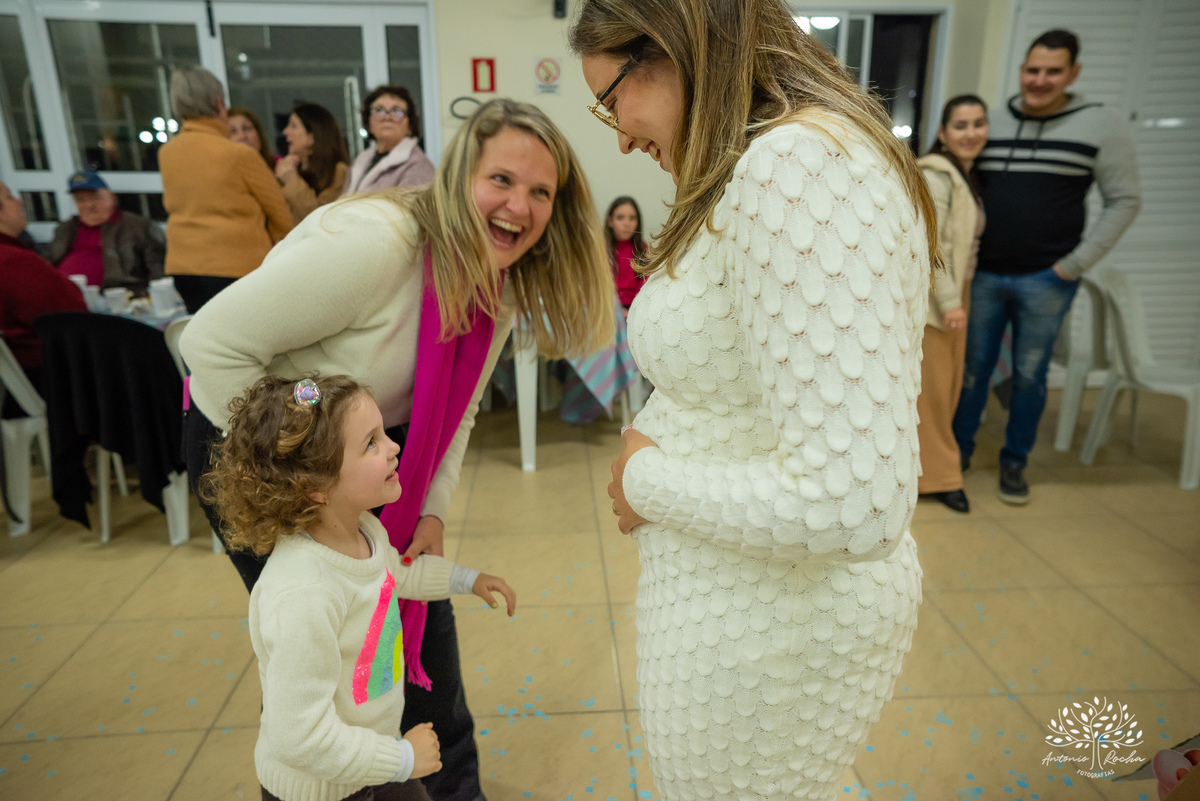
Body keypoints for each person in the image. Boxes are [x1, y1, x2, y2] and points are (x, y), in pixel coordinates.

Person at [180, 98, 614, 801]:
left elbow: (460, 407)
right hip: (257, 447)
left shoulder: (497, 282)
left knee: (417, 629)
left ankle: (446, 784)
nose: (520, 206)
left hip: (370, 452)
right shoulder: (378, 246)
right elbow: (209, 346)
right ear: (457, 176)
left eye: (542, 192)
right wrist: (299, 480)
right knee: (328, 649)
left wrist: (433, 509)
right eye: (501, 179)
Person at [571, 1, 937, 798]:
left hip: (775, 624)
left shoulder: (799, 166)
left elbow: (853, 504)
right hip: (742, 606)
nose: (622, 136)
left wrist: (646, 482)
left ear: (671, 45)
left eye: (612, 100)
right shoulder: (757, 167)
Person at [203, 374, 516, 801]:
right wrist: (403, 759)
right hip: (320, 789)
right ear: (313, 488)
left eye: (384, 434)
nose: (394, 447)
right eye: (371, 443)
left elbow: (397, 577)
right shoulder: (302, 593)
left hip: (369, 763)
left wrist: (466, 579)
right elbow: (300, 739)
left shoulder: (365, 531)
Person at [952, 28, 1142, 504]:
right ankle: (955, 458)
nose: (1039, 80)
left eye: (1052, 72)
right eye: (1032, 70)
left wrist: (1073, 265)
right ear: (1021, 70)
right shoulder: (990, 122)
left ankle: (1015, 463)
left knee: (1031, 374)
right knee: (973, 371)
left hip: (1047, 279)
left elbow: (1125, 200)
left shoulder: (1102, 125)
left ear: (1073, 73)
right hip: (986, 275)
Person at [159, 66, 293, 313]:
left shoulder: (167, 153)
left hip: (183, 268)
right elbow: (280, 213)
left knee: (204, 345)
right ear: (219, 103)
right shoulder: (239, 155)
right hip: (235, 268)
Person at [915, 95, 988, 514]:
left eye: (979, 123)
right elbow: (932, 244)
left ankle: (935, 474)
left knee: (946, 391)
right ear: (943, 133)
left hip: (958, 293)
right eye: (960, 125)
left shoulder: (963, 176)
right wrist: (948, 302)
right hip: (939, 300)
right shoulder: (936, 176)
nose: (971, 133)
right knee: (936, 396)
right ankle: (941, 479)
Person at [0, 180, 87, 415]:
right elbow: (72, 316)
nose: (19, 202)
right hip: (40, 382)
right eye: (9, 197)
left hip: (15, 386)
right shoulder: (13, 261)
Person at [45, 170, 165, 295]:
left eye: (95, 197)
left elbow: (158, 273)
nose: (89, 205)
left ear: (112, 197)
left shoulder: (139, 226)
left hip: (118, 299)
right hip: (64, 297)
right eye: (80, 200)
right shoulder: (65, 228)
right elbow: (47, 263)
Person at [344, 85, 436, 195]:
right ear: (368, 123)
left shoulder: (419, 165)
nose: (387, 117)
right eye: (379, 110)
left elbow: (409, 209)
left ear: (410, 125)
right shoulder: (360, 161)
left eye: (396, 111)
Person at [277, 102, 350, 224]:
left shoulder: (338, 171)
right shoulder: (296, 167)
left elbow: (320, 217)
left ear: (312, 136)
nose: (285, 131)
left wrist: (291, 180)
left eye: (293, 126)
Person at [604, 196, 647, 311]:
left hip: (637, 308)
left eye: (632, 218)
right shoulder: (600, 249)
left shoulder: (644, 250)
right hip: (608, 308)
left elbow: (645, 285)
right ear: (610, 221)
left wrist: (632, 311)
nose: (627, 223)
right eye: (620, 218)